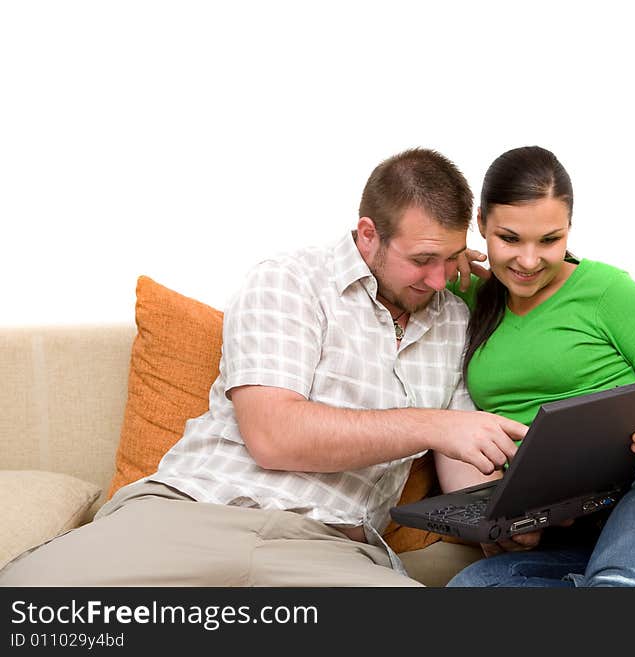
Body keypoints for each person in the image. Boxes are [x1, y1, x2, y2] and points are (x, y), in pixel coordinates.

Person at [0, 147, 527, 587]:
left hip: (330, 552)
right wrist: (433, 423)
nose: (439, 279)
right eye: (421, 260)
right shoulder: (290, 282)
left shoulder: (456, 320)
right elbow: (273, 434)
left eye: (452, 258)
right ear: (369, 234)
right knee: (28, 603)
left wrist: (494, 513)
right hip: (194, 514)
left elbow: (462, 451)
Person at [441, 146, 635, 587]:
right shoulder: (468, 298)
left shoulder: (607, 291)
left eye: (550, 240)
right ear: (480, 224)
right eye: (509, 238)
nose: (529, 260)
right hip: (562, 524)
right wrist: (445, 257)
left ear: (569, 229)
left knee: (621, 584)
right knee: (471, 587)